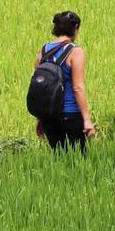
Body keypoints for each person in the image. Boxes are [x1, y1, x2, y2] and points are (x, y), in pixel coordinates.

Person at [36, 11, 94, 151]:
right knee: (79, 161)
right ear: (75, 28)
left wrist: (40, 119)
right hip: (71, 114)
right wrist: (86, 119)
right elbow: (78, 87)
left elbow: (40, 87)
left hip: (49, 116)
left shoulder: (43, 51)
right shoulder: (76, 52)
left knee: (59, 159)